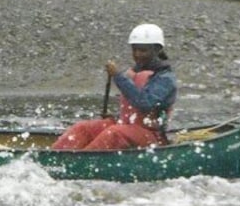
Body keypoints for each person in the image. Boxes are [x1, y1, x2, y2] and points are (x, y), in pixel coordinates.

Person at [52, 23, 177, 151]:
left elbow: (144, 103)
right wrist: (116, 116)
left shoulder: (165, 78)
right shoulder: (136, 71)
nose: (137, 54)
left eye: (143, 50)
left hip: (152, 136)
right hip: (127, 127)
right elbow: (132, 110)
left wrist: (117, 76)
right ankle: (54, 156)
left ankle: (79, 162)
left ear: (157, 50)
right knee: (83, 128)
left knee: (114, 133)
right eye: (134, 50)